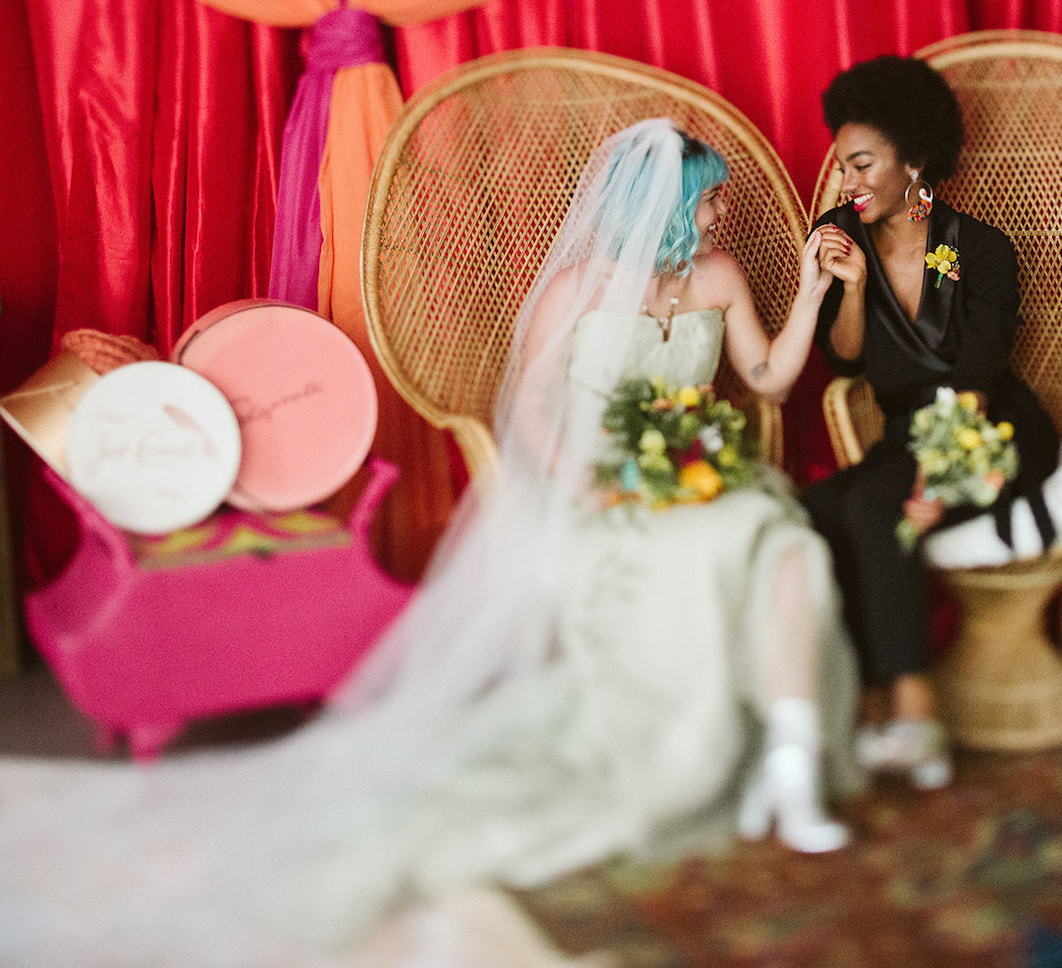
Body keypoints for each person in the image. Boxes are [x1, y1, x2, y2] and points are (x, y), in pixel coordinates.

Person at [0, 119, 861, 967]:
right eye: (708, 200)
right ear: (665, 206)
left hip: (701, 475)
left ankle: (786, 760)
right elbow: (526, 407)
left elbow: (766, 382)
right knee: (730, 549)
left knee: (783, 542)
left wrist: (816, 298)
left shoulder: (721, 275)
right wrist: (584, 483)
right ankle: (717, 757)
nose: (720, 214)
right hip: (596, 486)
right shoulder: (576, 290)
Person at [800, 56, 1062, 790]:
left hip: (992, 427)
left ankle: (913, 713)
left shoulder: (977, 250)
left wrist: (940, 484)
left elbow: (976, 384)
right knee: (816, 509)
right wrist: (848, 288)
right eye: (842, 166)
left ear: (913, 160)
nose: (847, 182)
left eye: (862, 164)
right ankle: (868, 696)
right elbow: (846, 362)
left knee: (875, 505)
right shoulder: (840, 234)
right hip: (905, 429)